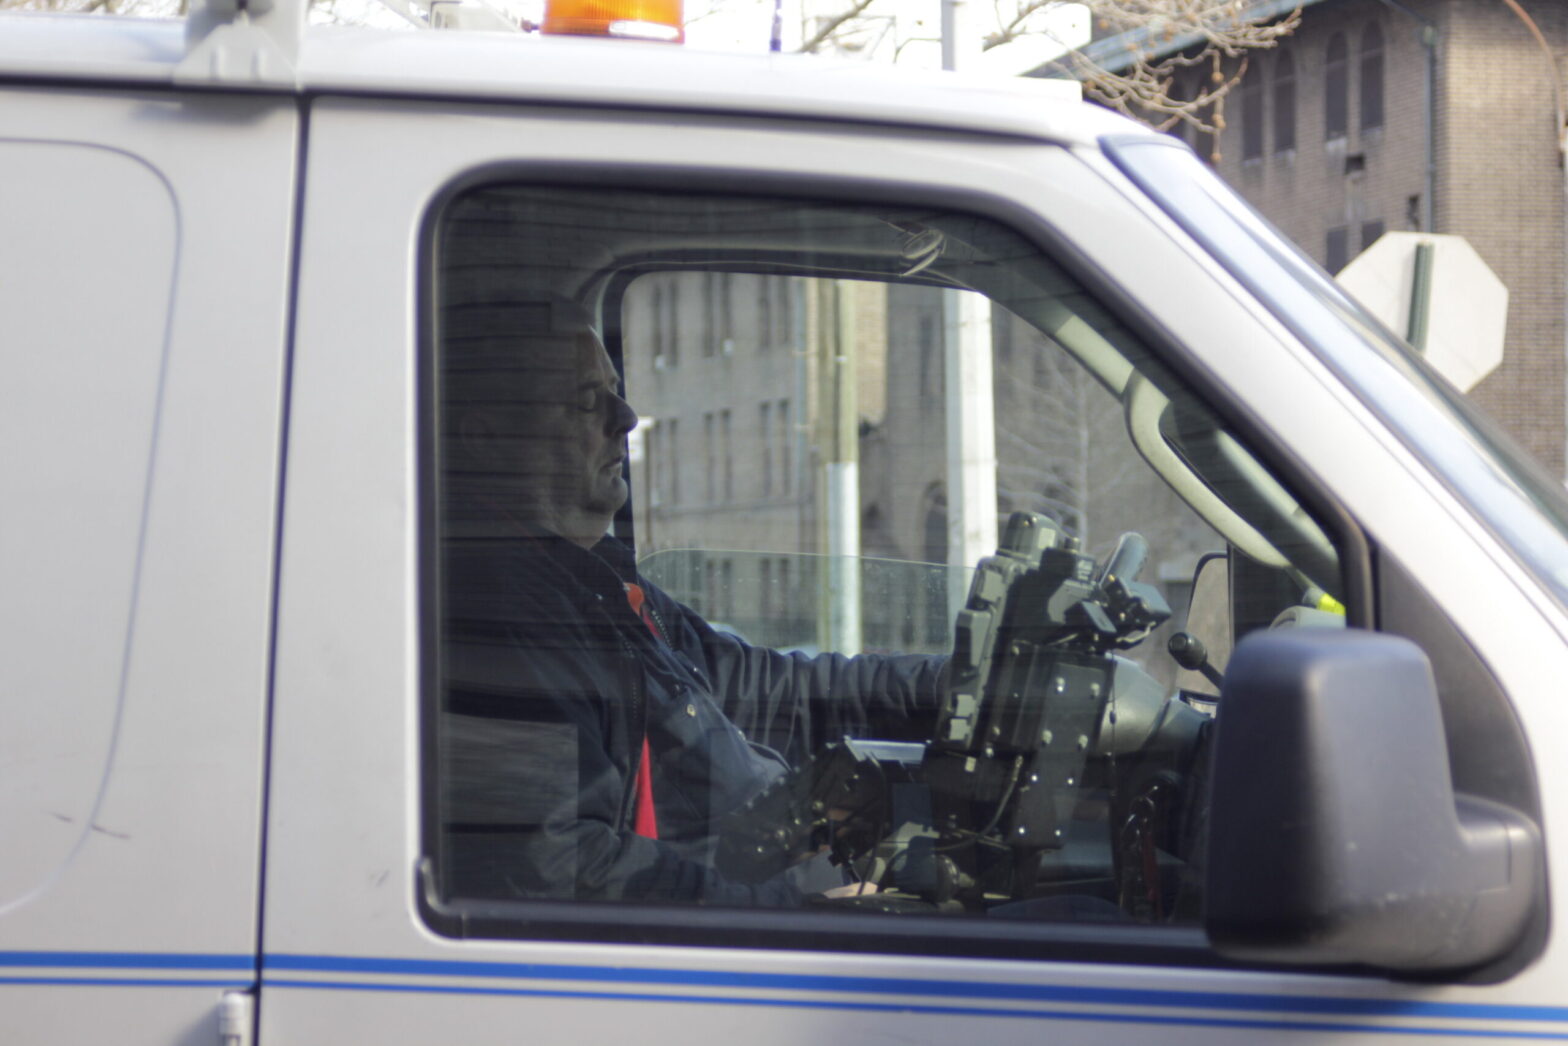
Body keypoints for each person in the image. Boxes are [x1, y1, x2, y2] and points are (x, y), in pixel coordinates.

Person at [436, 299, 946, 907]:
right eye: (585, 401)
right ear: (487, 439)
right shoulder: (492, 620)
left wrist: (955, 682)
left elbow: (773, 687)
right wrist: (804, 916)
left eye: (615, 392)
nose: (625, 417)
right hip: (741, 949)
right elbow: (561, 866)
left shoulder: (599, 588)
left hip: (795, 891)